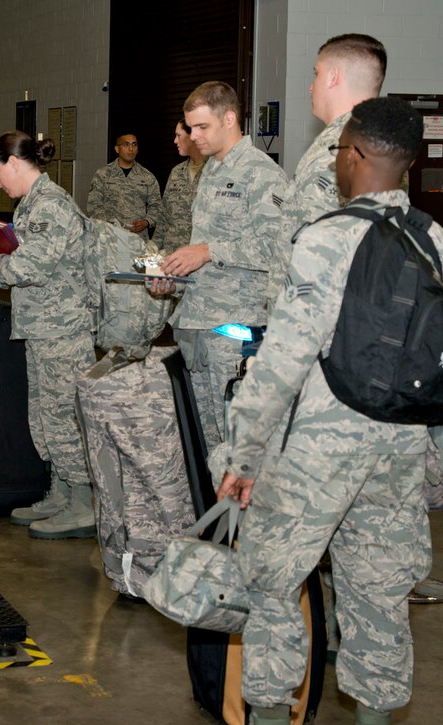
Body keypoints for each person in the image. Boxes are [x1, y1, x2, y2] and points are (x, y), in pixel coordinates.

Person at [216, 97, 436, 725]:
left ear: (356, 155)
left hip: (320, 444)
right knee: (379, 592)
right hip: (401, 444)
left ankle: (266, 713)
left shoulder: (323, 240)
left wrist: (243, 456)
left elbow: (281, 361)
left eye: (340, 151)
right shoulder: (437, 241)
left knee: (272, 580)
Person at [0, 131, 97, 540]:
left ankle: (84, 504)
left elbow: (33, 267)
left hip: (63, 331)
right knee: (45, 416)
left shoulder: (50, 206)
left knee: (64, 417)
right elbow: (24, 264)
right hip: (42, 328)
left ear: (15, 163)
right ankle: (61, 492)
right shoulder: (29, 206)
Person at [156, 82, 288, 450]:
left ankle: (237, 510)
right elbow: (205, 252)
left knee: (237, 440)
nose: (192, 135)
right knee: (209, 439)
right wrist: (176, 277)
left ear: (229, 118)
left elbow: (275, 248)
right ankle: (217, 507)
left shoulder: (262, 174)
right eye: (189, 127)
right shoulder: (211, 170)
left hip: (235, 328)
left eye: (201, 127)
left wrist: (208, 251)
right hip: (200, 322)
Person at [267, 33, 387, 310]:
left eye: (316, 74)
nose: (311, 87)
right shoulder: (336, 140)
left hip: (321, 319)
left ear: (333, 77)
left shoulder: (361, 145)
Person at [86, 133, 162, 237]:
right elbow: (94, 205)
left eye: (134, 145)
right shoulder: (103, 174)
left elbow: (157, 206)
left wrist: (146, 222)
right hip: (110, 238)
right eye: (126, 144)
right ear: (117, 149)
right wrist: (110, 226)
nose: (131, 149)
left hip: (137, 238)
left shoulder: (147, 177)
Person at [152, 120, 206, 254]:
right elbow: (164, 215)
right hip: (172, 254)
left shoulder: (215, 172)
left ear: (192, 136)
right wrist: (153, 249)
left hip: (199, 259)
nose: (175, 141)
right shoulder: (177, 172)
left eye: (179, 135)